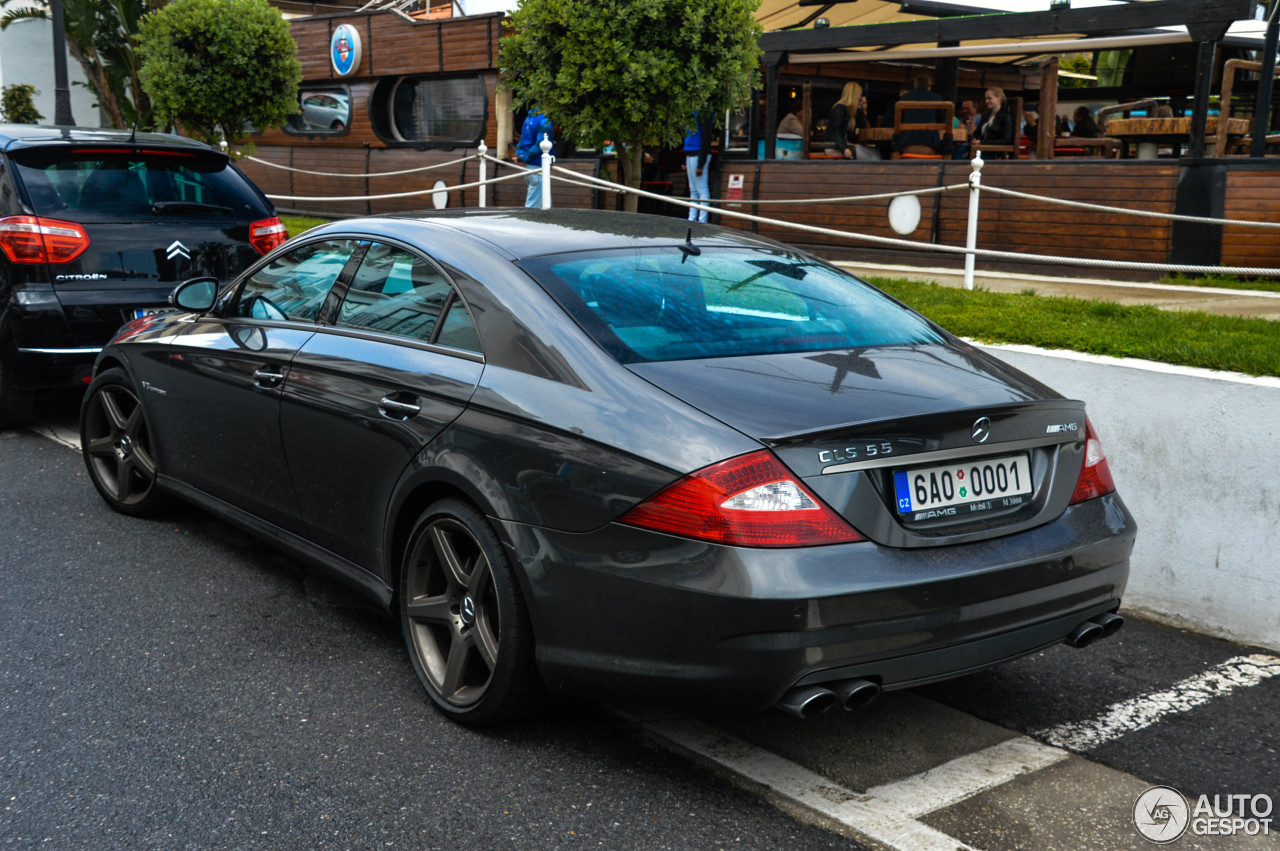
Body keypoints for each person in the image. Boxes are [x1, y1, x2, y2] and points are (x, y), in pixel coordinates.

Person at [514, 107, 555, 208]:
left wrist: (520, 156)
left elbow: (522, 139)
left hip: (528, 167)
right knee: (533, 206)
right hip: (538, 166)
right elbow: (540, 144)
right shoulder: (544, 120)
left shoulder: (529, 117)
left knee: (544, 204)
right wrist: (525, 158)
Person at [896, 72, 945, 156]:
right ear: (929, 87)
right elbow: (943, 120)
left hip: (906, 145)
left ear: (915, 86)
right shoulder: (937, 98)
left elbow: (898, 121)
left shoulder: (904, 98)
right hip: (930, 146)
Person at [823, 81, 868, 158]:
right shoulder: (839, 108)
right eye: (860, 95)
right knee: (867, 156)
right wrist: (844, 149)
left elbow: (863, 127)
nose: (861, 98)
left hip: (845, 145)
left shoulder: (851, 111)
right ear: (854, 95)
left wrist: (862, 110)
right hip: (834, 146)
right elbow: (836, 132)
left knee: (869, 154)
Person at [683, 112, 713, 223]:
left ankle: (702, 220)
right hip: (691, 152)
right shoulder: (691, 113)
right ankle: (692, 219)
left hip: (699, 152)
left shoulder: (704, 113)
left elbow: (706, 138)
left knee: (702, 189)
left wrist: (701, 163)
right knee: (693, 189)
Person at [974, 87, 1014, 157]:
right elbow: (977, 133)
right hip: (980, 148)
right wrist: (973, 139)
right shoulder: (985, 115)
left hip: (993, 151)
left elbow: (1006, 140)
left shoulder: (1005, 116)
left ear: (998, 98)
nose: (986, 101)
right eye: (986, 99)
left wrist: (982, 143)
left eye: (989, 98)